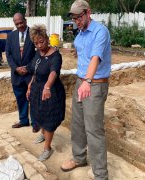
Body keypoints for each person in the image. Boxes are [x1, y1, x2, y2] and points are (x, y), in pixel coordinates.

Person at [60, 0, 111, 179]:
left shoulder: (100, 31)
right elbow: (82, 52)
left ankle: (100, 175)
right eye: (74, 18)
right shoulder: (80, 33)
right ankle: (79, 158)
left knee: (94, 130)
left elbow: (95, 58)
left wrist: (88, 82)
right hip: (81, 81)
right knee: (78, 124)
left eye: (79, 17)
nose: (76, 22)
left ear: (88, 13)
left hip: (95, 84)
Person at [26, 24, 66, 161]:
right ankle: (43, 134)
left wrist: (47, 87)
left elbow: (53, 72)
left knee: (49, 120)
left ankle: (47, 148)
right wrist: (30, 86)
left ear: (47, 39)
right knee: (39, 115)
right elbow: (35, 71)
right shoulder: (38, 53)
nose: (39, 45)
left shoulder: (55, 55)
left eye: (41, 42)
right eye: (36, 43)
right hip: (37, 90)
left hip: (51, 92)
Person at [6, 13, 39, 133]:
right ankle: (23, 120)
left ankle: (35, 123)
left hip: (30, 74)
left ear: (25, 20)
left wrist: (28, 67)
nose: (20, 25)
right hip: (16, 75)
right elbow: (8, 55)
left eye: (21, 22)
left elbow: (38, 53)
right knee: (20, 98)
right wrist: (16, 68)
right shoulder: (10, 36)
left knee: (34, 98)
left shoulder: (34, 34)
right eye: (17, 23)